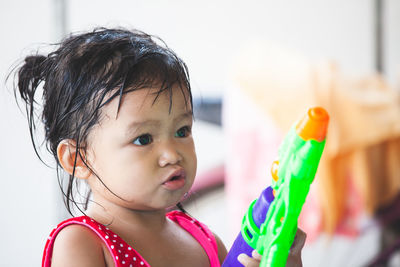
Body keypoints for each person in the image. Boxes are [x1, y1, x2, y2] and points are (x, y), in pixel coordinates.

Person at [12, 27, 304, 267]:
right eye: (143, 139)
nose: (172, 154)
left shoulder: (207, 242)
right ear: (78, 159)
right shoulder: (82, 244)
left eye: (182, 130)